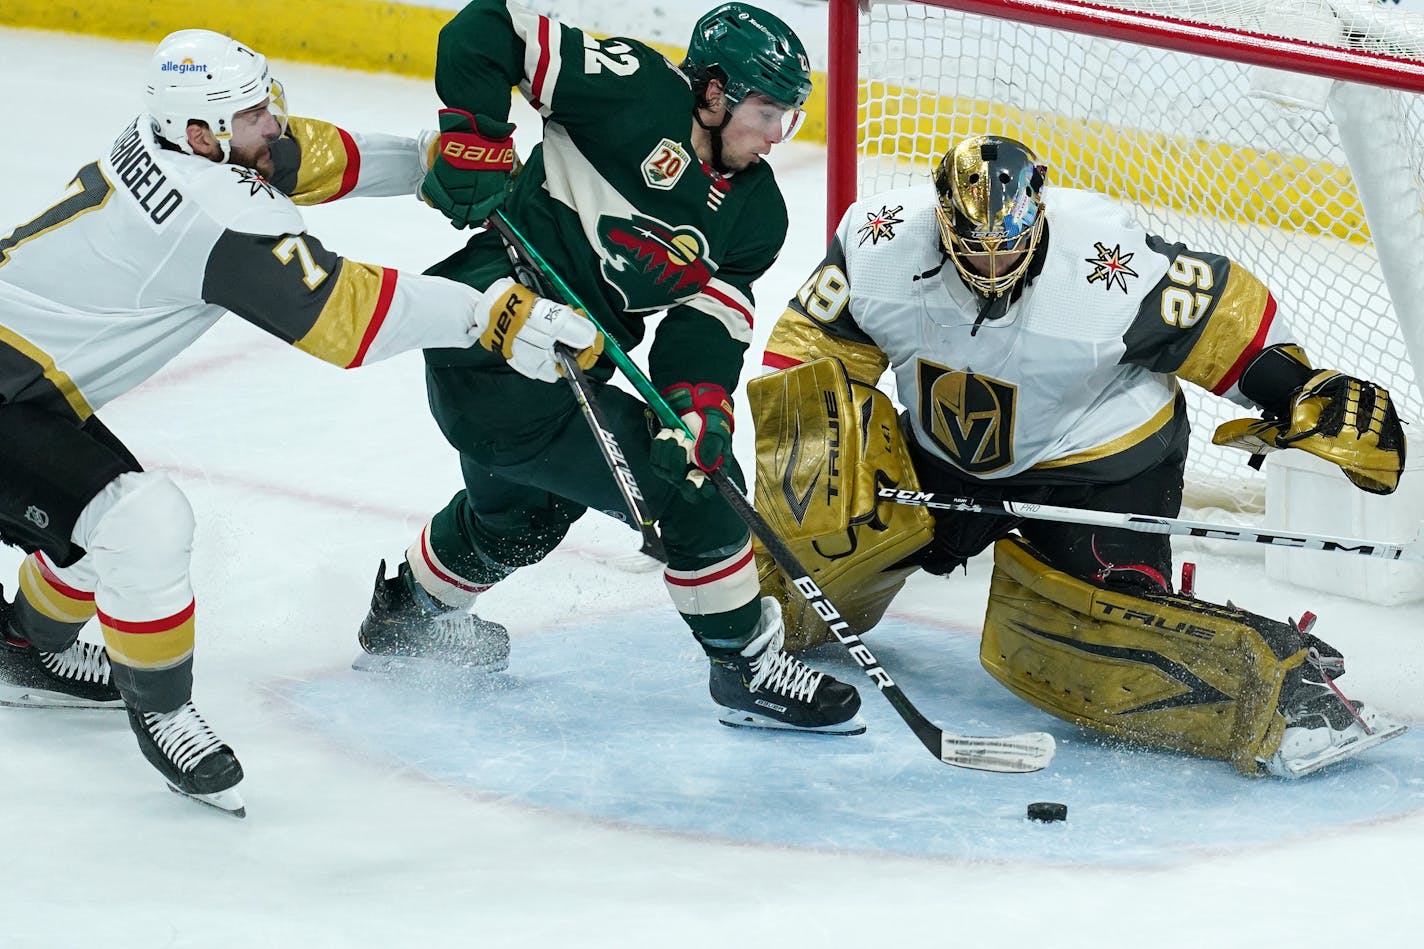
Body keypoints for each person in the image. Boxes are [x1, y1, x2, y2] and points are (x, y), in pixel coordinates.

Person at [0, 28, 597, 815]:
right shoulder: (207, 210)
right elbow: (347, 318)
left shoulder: (176, 144)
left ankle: (21, 646)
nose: (272, 122)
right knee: (140, 521)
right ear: (203, 136)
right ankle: (165, 711)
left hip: (23, 389)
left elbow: (293, 158)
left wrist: (425, 161)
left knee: (95, 518)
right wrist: (490, 314)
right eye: (251, 116)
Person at [750, 133, 1408, 778]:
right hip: (945, 456)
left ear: (1038, 212)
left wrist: (1294, 388)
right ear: (942, 220)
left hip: (1098, 461)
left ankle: (1293, 689)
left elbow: (1217, 313)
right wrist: (811, 468)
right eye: (973, 247)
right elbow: (807, 357)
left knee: (1103, 639)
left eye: (1006, 244)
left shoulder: (1102, 257)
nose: (990, 264)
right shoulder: (880, 240)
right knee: (804, 551)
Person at [355, 0, 865, 735]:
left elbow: (707, 321)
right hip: (489, 333)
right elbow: (485, 30)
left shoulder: (756, 213)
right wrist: (476, 136)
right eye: (765, 111)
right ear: (713, 92)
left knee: (525, 515)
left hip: (560, 370)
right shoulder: (632, 89)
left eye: (788, 116)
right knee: (700, 494)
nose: (775, 135)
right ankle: (747, 667)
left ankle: (406, 615)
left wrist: (698, 402)